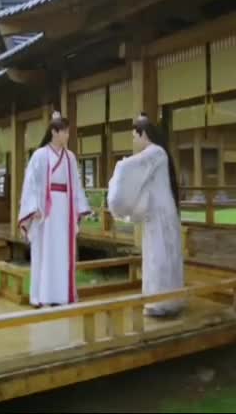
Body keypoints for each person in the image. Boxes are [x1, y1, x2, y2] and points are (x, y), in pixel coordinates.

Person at [108, 113, 184, 318]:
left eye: (135, 136)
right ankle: (165, 300)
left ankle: (161, 302)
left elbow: (130, 167)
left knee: (159, 256)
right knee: (160, 255)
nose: (134, 141)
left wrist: (119, 166)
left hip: (160, 213)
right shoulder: (158, 153)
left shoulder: (155, 152)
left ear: (143, 134)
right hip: (158, 211)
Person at [18, 112, 90, 308]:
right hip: (45, 210)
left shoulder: (70, 157)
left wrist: (79, 209)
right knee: (44, 251)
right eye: (64, 132)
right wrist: (33, 207)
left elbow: (76, 184)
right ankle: (42, 296)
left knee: (62, 251)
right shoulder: (40, 155)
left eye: (68, 132)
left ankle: (62, 295)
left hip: (65, 208)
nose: (67, 135)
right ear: (54, 132)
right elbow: (31, 183)